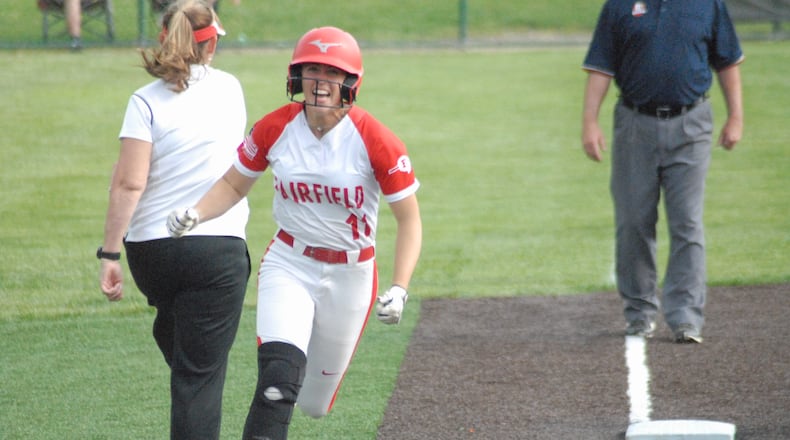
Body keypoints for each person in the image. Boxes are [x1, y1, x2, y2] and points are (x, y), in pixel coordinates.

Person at [166, 26, 423, 439]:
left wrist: (400, 287)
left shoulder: (376, 140)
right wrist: (196, 212)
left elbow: (409, 219)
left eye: (332, 71)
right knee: (277, 383)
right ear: (296, 76)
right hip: (291, 262)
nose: (320, 81)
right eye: (311, 69)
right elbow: (234, 184)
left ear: (351, 82)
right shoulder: (275, 127)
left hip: (352, 273)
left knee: (314, 404)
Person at [98, 1, 250, 438]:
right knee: (197, 379)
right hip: (215, 247)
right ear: (212, 41)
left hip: (151, 253)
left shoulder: (143, 101)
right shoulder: (230, 88)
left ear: (166, 38)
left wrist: (109, 253)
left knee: (184, 346)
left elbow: (128, 183)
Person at [581, 0, 744, 343]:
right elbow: (601, 66)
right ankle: (639, 312)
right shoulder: (620, 5)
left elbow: (727, 60)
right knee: (633, 221)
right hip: (634, 124)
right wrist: (590, 122)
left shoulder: (707, 4)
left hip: (692, 124)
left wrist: (736, 117)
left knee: (687, 221)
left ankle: (686, 317)